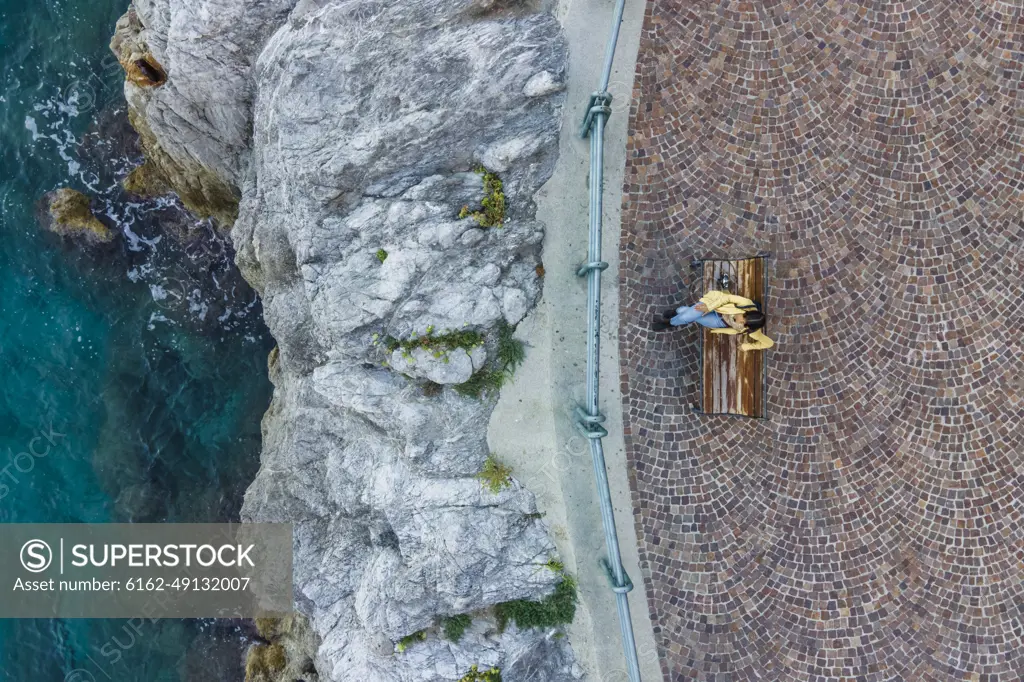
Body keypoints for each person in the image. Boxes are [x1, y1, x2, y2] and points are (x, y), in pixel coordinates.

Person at [652, 290, 773, 351]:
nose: (741, 319)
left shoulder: (752, 330)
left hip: (718, 322)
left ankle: (676, 312)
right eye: (744, 316)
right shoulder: (746, 304)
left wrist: (747, 347)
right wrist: (709, 307)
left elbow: (769, 343)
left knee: (685, 312)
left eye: (743, 322)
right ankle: (667, 323)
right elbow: (727, 298)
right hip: (715, 305)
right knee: (685, 317)